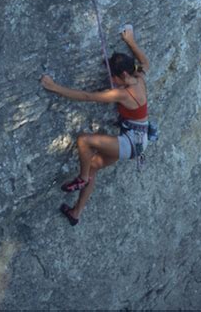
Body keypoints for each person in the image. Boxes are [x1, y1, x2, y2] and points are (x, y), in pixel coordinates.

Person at [40, 25, 149, 226]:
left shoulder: (123, 93)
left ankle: (81, 178)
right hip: (138, 140)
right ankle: (76, 213)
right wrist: (130, 41)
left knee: (84, 140)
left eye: (113, 77)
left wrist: (54, 87)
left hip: (131, 143)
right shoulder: (138, 77)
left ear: (123, 75)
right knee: (93, 167)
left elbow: (87, 96)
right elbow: (145, 62)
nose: (111, 80)